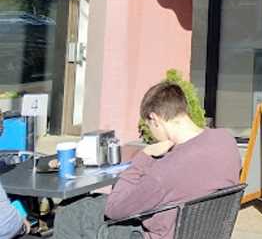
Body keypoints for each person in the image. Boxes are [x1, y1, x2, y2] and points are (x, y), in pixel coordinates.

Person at [54, 82, 241, 239]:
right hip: (200, 230)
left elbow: (114, 209)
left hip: (157, 234)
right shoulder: (225, 140)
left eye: (149, 125)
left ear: (155, 119)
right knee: (93, 203)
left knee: (72, 210)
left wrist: (144, 157)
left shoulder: (166, 172)